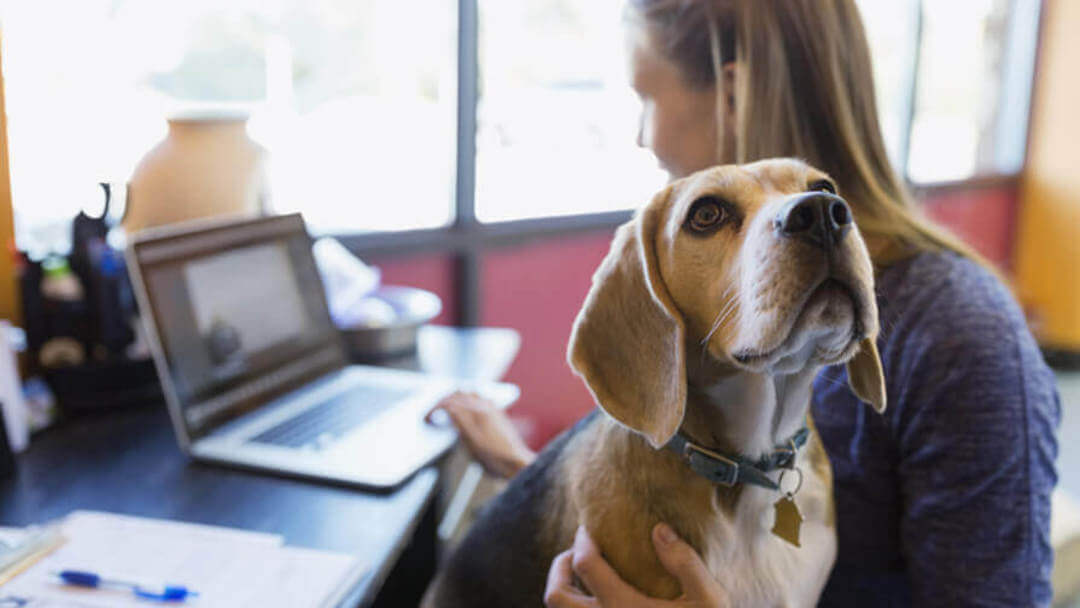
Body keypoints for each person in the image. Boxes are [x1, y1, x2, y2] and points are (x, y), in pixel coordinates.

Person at [431, 1, 1061, 606]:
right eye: (711, 214)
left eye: (645, 97)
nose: (643, 136)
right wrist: (537, 485)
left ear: (736, 94)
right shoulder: (728, 356)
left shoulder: (969, 341)